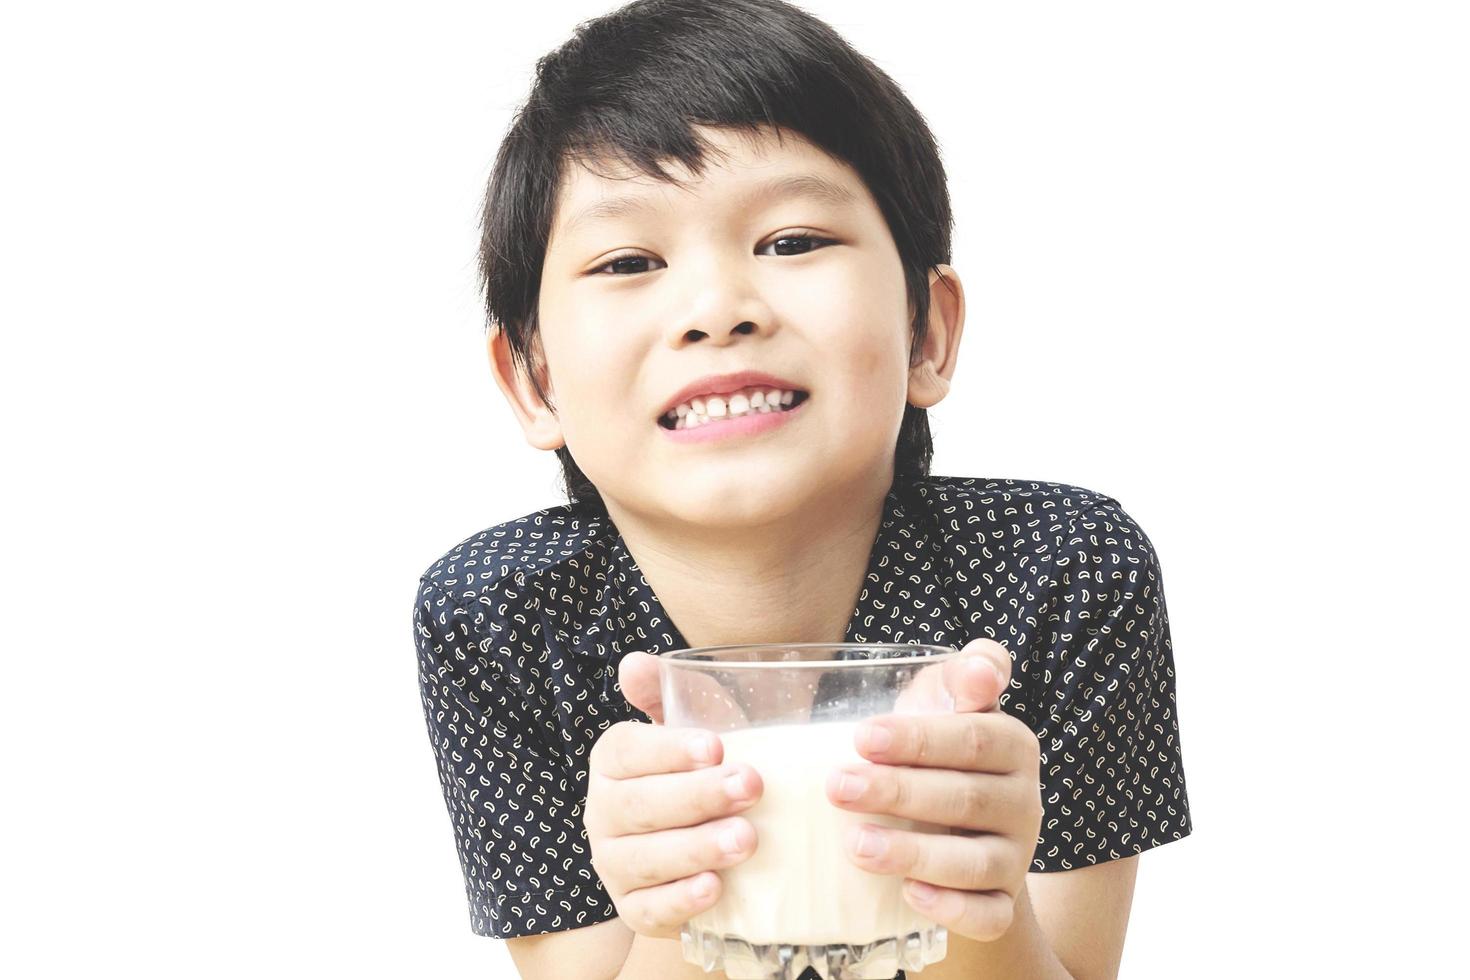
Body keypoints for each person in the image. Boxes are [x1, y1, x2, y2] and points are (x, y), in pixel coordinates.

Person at [412, 1, 1192, 977]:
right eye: (628, 261)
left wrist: (973, 905)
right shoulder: (502, 614)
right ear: (534, 380)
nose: (716, 310)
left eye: (790, 242)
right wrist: (680, 897)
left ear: (927, 330)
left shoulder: (1061, 573)